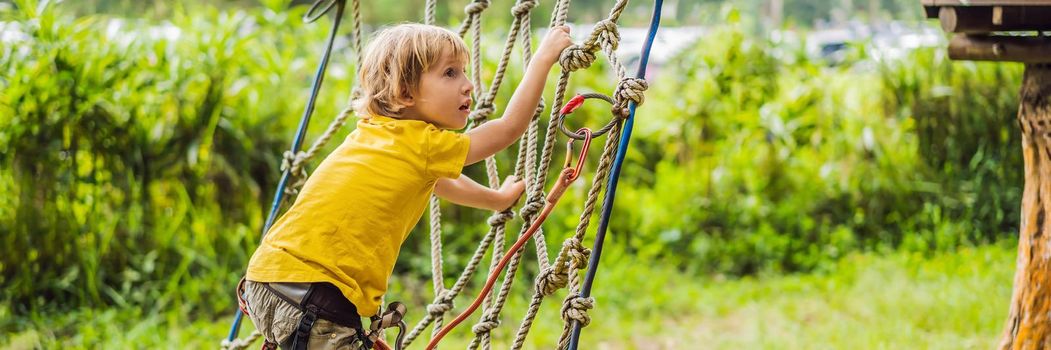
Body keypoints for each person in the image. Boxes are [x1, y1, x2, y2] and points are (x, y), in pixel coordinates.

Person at [240, 23, 573, 349]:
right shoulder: (421, 144)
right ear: (404, 92)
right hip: (317, 295)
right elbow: (508, 129)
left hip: (270, 277)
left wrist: (495, 199)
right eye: (450, 73)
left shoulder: (377, 134)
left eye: (464, 72)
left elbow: (441, 182)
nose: (468, 85)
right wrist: (543, 58)